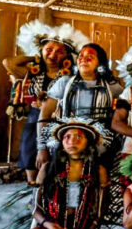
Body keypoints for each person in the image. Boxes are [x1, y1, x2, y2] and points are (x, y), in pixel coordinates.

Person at [4, 21, 88, 184]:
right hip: (34, 118)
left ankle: (49, 192)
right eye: (49, 49)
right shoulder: (33, 72)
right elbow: (8, 63)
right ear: (41, 50)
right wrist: (35, 56)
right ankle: (32, 189)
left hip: (59, 121)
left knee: (55, 158)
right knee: (30, 152)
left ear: (66, 56)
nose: (53, 54)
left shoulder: (69, 77)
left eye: (59, 52)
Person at [26, 118, 109, 229]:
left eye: (79, 137)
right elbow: (33, 205)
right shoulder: (49, 167)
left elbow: (102, 207)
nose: (72, 141)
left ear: (88, 142)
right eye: (67, 137)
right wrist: (47, 224)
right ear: (61, 142)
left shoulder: (97, 170)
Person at [36, 43, 123, 173]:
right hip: (67, 142)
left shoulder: (112, 87)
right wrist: (42, 149)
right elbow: (45, 115)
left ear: (100, 62)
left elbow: (124, 114)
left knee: (101, 176)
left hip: (101, 143)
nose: (83, 59)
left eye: (90, 56)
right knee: (47, 173)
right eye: (81, 56)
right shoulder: (64, 83)